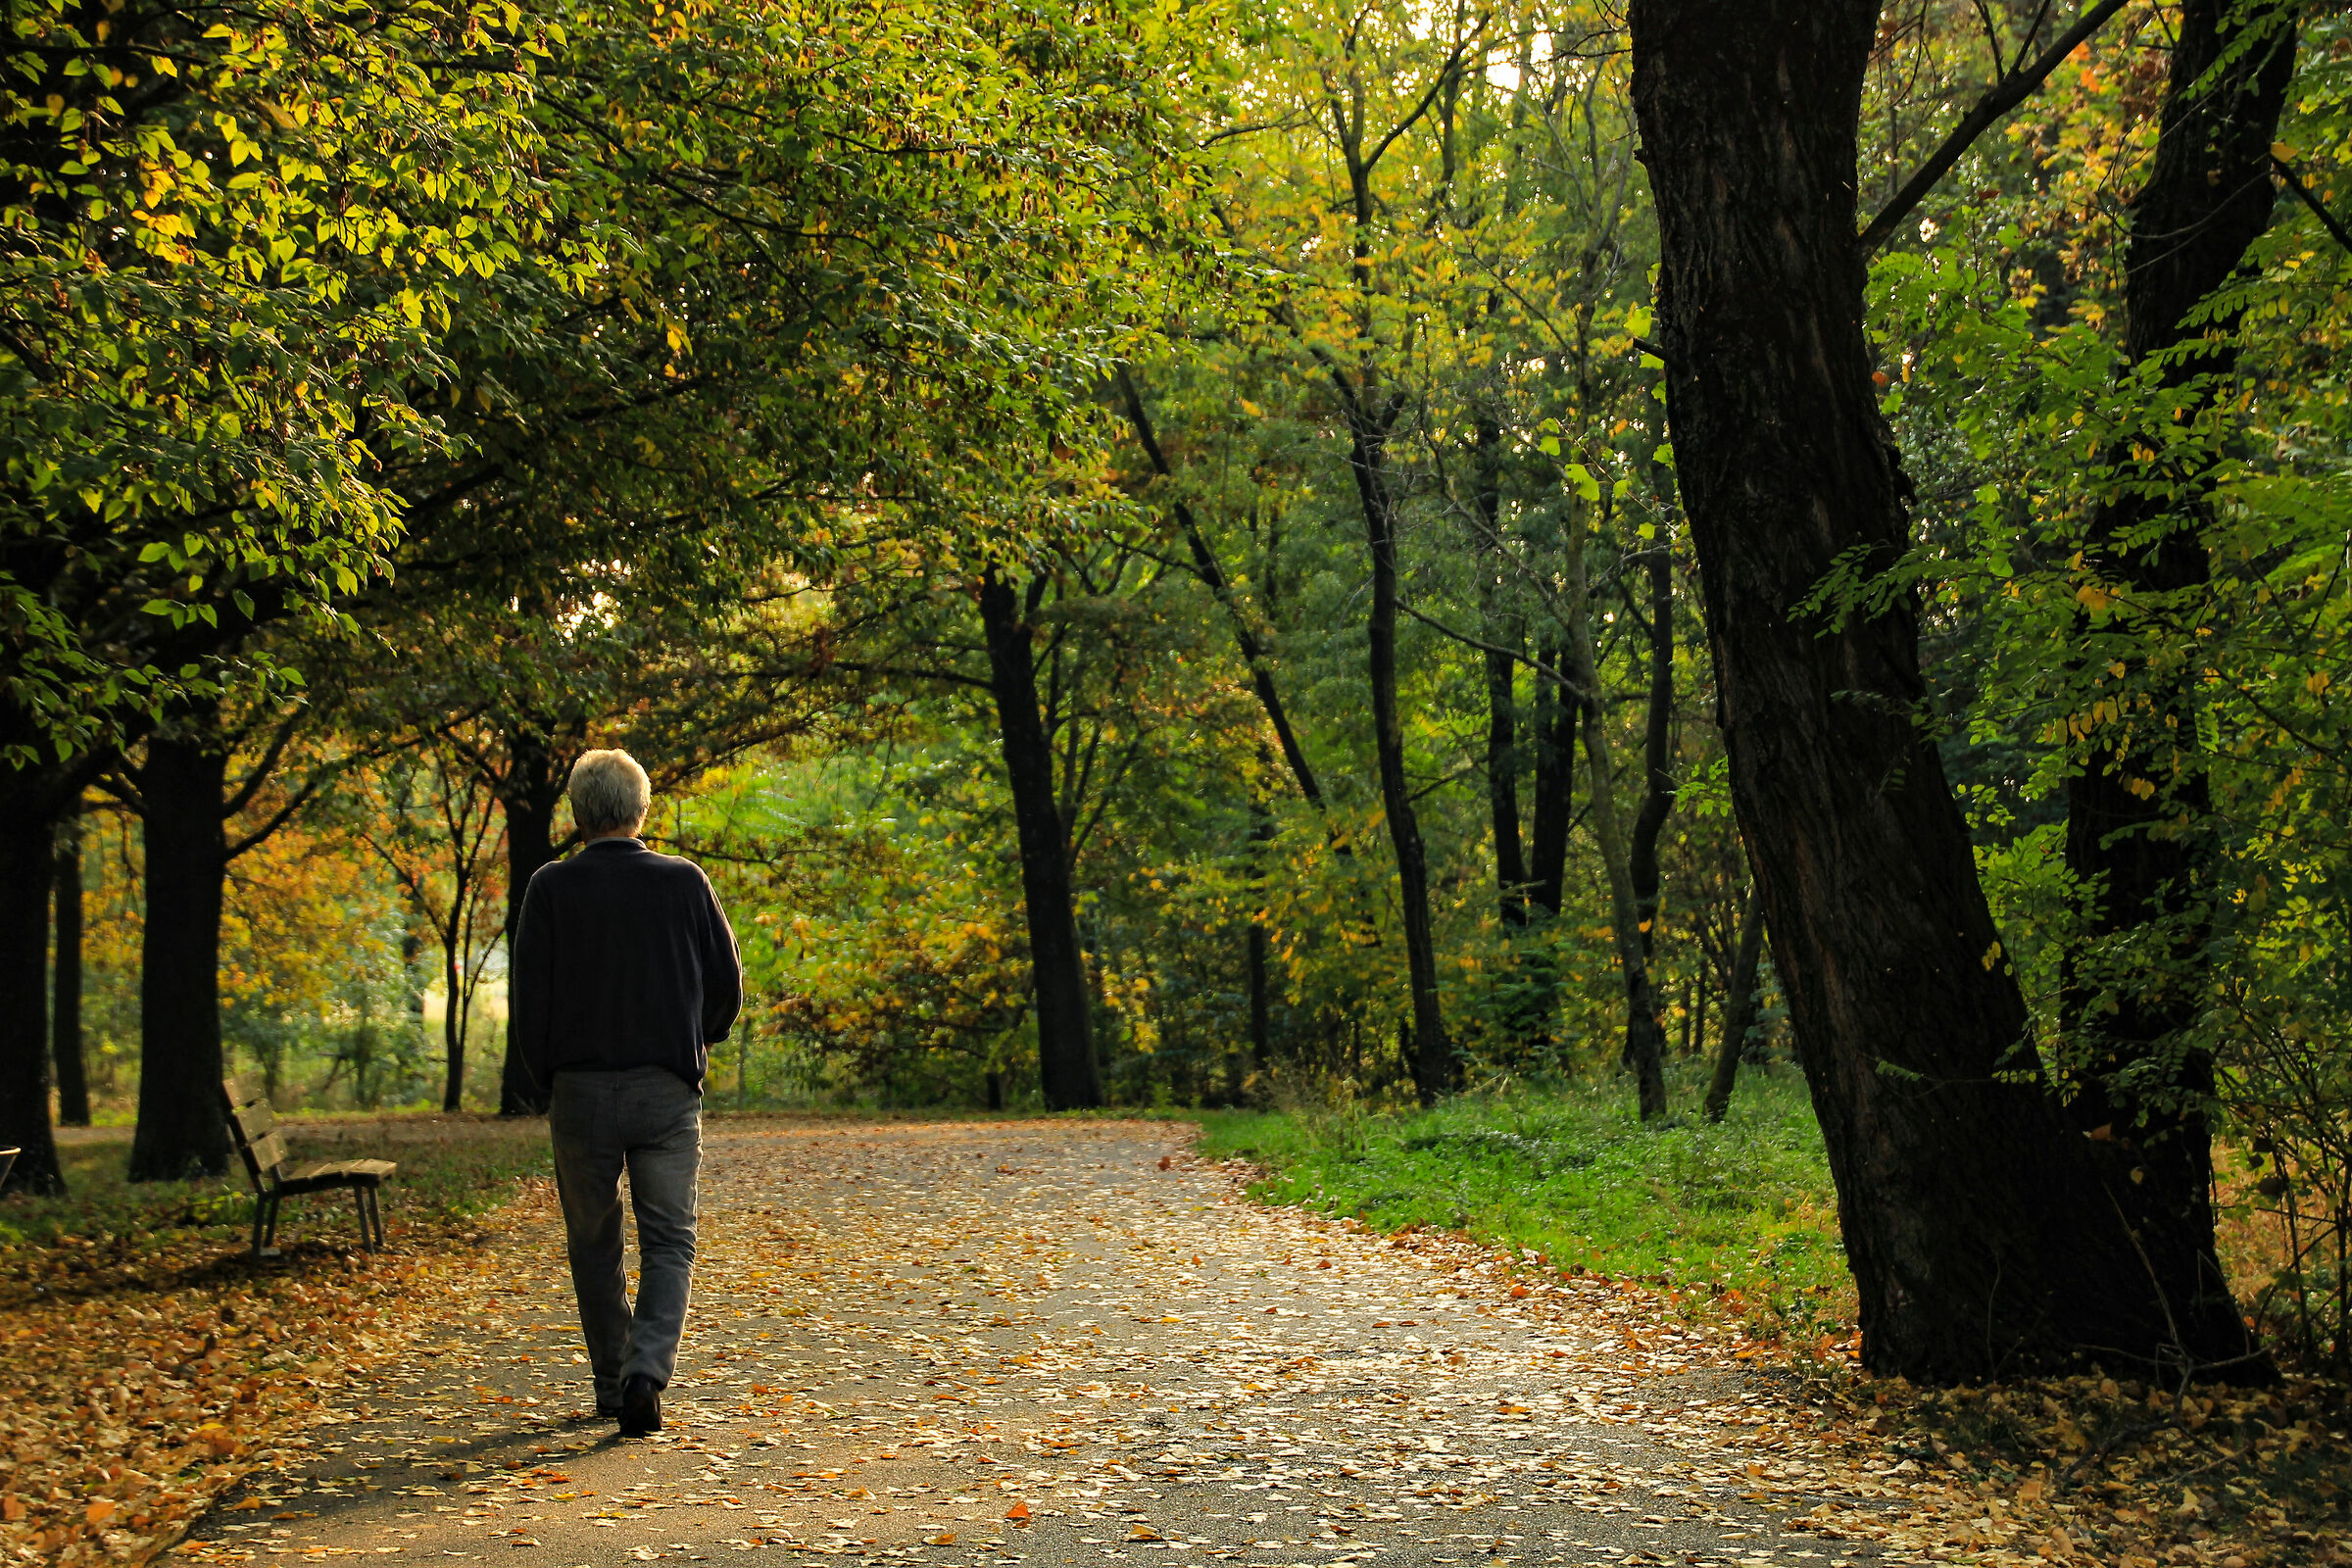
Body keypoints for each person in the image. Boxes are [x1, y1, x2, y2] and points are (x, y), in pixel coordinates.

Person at [513, 749, 743, 1437]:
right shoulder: (684, 883)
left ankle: (612, 1383)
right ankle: (647, 1372)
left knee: (593, 1239)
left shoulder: (550, 889)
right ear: (642, 809)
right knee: (671, 1240)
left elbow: (530, 1002)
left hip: (579, 1091)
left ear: (578, 814)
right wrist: (695, 1042)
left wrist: (548, 1076)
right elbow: (727, 987)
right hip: (666, 1091)